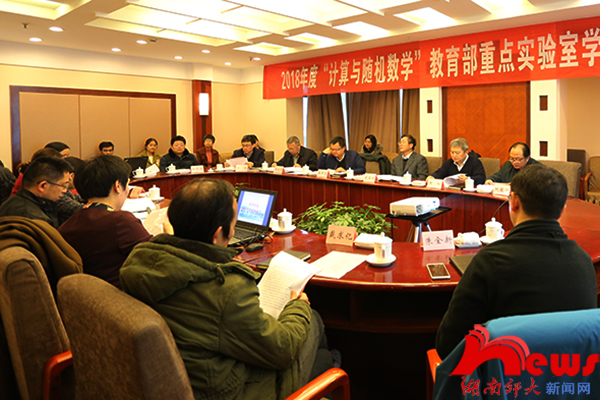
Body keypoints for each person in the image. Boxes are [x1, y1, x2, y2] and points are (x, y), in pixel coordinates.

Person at [120, 178, 333, 399]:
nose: (234, 230)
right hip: (231, 390)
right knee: (313, 321)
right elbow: (283, 349)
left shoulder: (140, 264)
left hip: (187, 380)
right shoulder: (225, 288)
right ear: (217, 234)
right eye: (234, 222)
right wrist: (297, 306)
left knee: (321, 357)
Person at [435, 164, 598, 359]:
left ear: (514, 202)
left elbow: (448, 346)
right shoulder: (583, 261)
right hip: (568, 375)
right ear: (563, 209)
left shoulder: (490, 261)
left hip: (505, 377)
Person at [59, 156, 152, 288]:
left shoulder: (68, 224)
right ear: (118, 186)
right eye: (127, 184)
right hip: (120, 295)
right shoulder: (121, 221)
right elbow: (156, 258)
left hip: (86, 293)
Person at [0, 156, 72, 229]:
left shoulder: (14, 201)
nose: (65, 191)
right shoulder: (34, 219)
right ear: (43, 186)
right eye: (63, 186)